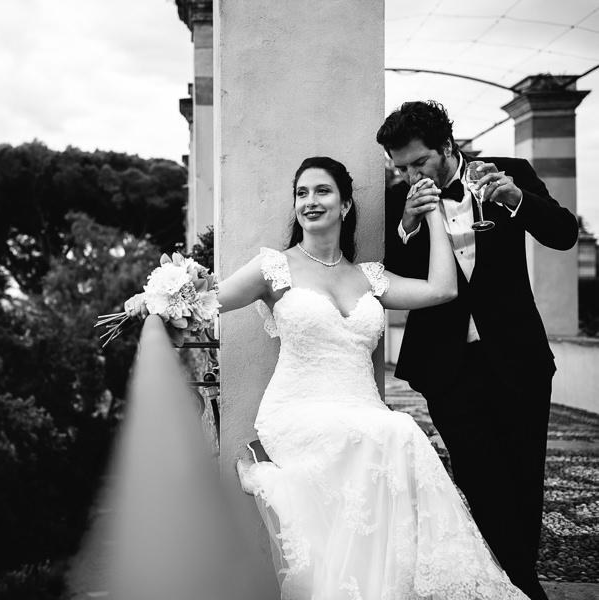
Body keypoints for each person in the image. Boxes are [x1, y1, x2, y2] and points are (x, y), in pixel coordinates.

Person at [124, 156, 528, 599]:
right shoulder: (273, 268)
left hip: (362, 411)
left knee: (395, 431)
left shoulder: (370, 276)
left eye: (322, 191)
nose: (310, 202)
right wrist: (157, 300)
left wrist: (432, 213)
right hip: (297, 412)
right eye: (302, 193)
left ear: (346, 204)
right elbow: (211, 301)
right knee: (394, 431)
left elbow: (441, 290)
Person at [377, 100, 579, 600]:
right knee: (479, 477)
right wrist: (407, 224)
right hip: (447, 367)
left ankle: (518, 584)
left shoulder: (510, 174)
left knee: (523, 476)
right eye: (400, 167)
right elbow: (388, 273)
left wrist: (516, 200)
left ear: (447, 146)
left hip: (518, 358)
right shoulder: (396, 200)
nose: (409, 174)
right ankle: (514, 584)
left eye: (418, 162)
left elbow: (562, 234)